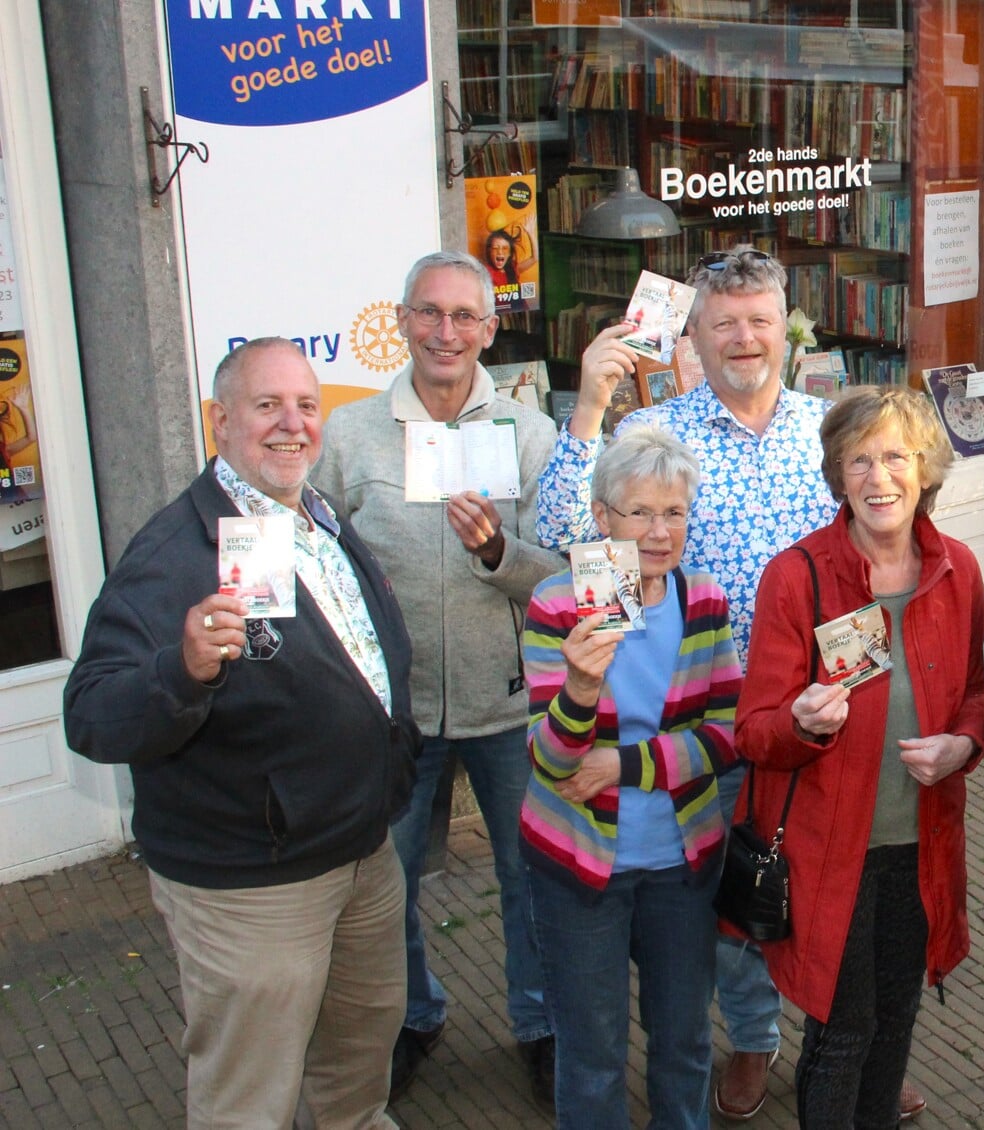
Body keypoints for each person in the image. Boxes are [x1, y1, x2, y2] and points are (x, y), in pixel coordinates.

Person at [538, 246, 929, 1120]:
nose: (743, 339)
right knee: (739, 893)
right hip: (704, 714)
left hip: (828, 709)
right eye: (724, 325)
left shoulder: (832, 432)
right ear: (696, 337)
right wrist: (592, 407)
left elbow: (892, 527)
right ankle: (753, 1041)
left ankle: (852, 1039)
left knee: (843, 884)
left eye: (758, 321)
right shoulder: (662, 435)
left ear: (784, 331)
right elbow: (566, 527)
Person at [63, 338, 419, 1127]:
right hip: (254, 883)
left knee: (358, 1067)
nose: (292, 425)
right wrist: (182, 667)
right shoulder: (174, 552)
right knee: (247, 1097)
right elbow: (90, 712)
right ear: (220, 422)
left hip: (359, 852)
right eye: (267, 406)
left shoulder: (313, 516)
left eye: (305, 405)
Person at [311, 250, 561, 1102]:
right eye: (429, 313)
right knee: (389, 881)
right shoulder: (349, 435)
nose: (445, 333)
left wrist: (499, 553)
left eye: (464, 317)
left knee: (532, 876)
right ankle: (412, 1018)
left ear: (491, 330)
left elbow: (568, 571)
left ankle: (541, 1024)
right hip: (395, 713)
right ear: (402, 320)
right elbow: (317, 559)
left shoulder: (531, 434)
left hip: (510, 705)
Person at [734, 387, 984, 1128]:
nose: (879, 478)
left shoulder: (959, 570)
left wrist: (964, 744)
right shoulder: (799, 576)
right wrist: (804, 724)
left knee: (894, 1026)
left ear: (925, 469)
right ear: (837, 476)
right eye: (859, 461)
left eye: (895, 458)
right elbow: (754, 729)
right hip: (828, 853)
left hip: (921, 846)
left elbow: (976, 695)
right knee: (842, 1033)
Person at [519, 425, 742, 1129]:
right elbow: (553, 762)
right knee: (592, 1056)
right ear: (602, 517)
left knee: (683, 1043)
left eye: (674, 512)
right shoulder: (560, 604)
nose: (657, 531)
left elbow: (726, 735)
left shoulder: (702, 599)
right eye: (639, 512)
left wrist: (628, 764)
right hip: (582, 864)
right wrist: (580, 686)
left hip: (682, 862)